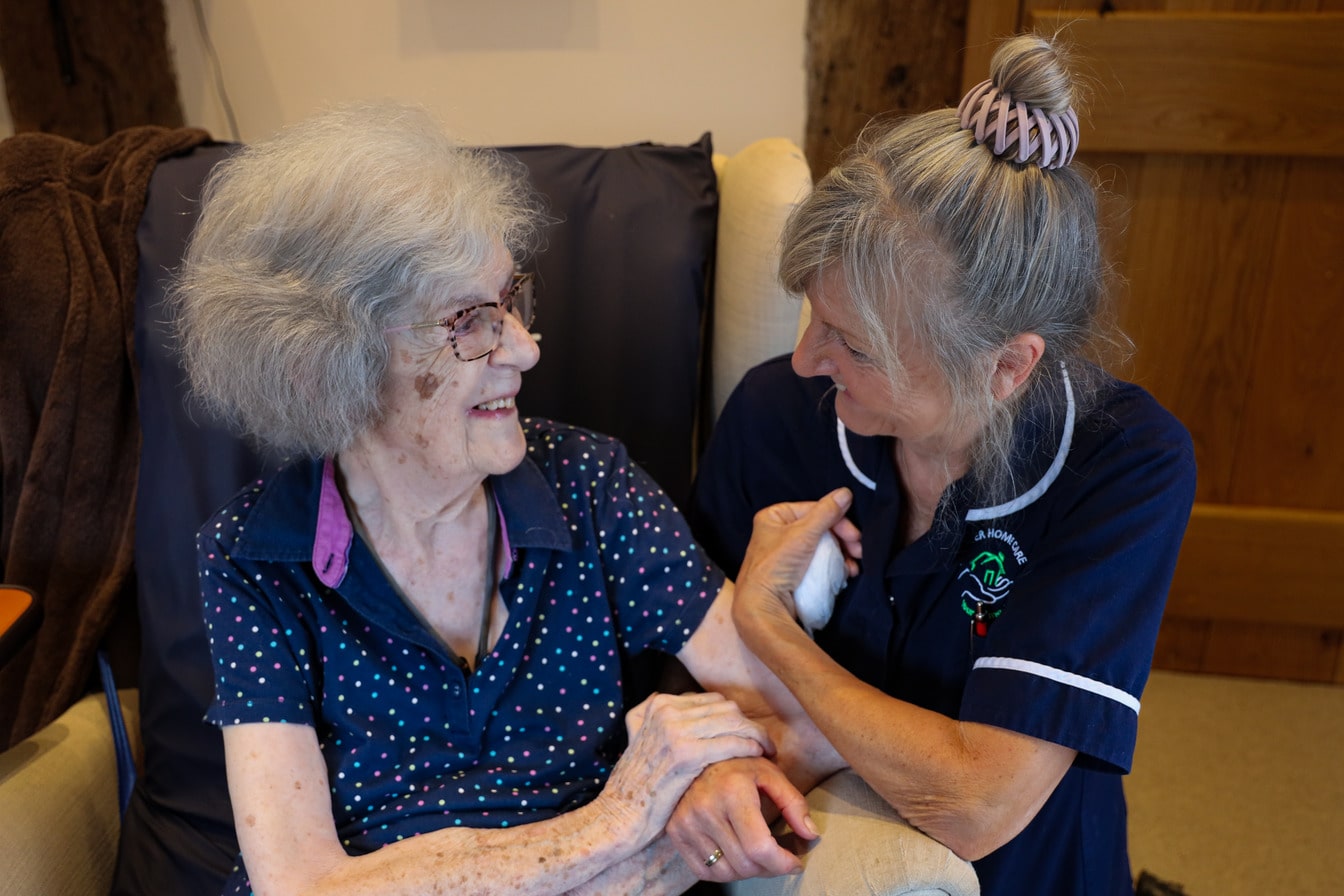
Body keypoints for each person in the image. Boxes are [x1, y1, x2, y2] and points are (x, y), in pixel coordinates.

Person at [174, 101, 839, 896]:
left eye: (512, 299)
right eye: (470, 324)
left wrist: (705, 788)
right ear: (329, 367)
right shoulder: (255, 556)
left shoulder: (591, 487)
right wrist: (619, 819)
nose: (523, 349)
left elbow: (809, 720)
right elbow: (305, 884)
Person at [670, 32, 1197, 896]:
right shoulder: (776, 415)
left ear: (1006, 368)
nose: (805, 360)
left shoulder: (1124, 464)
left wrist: (766, 625)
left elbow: (977, 802)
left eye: (852, 344)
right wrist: (726, 761)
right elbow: (677, 654)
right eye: (811, 315)